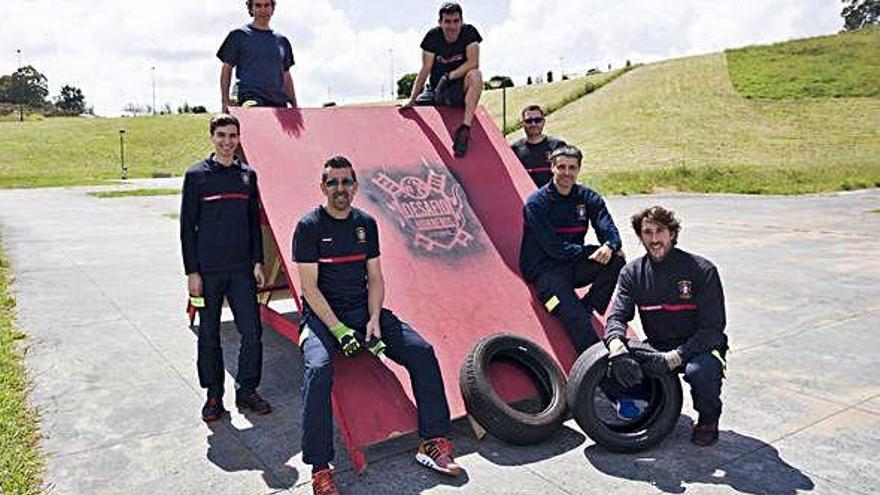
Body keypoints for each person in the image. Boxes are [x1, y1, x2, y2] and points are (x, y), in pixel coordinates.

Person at [293, 156, 461, 495]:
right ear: (322, 187)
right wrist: (339, 330)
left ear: (355, 186)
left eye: (346, 182)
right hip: (323, 319)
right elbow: (309, 289)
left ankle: (432, 442)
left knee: (422, 351)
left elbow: (375, 277)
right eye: (332, 182)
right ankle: (320, 468)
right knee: (318, 368)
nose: (340, 189)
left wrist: (373, 319)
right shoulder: (309, 226)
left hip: (363, 310)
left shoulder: (365, 224)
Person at [604, 206, 728, 446]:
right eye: (647, 232)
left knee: (699, 371)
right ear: (640, 237)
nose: (653, 239)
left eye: (659, 231)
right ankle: (650, 403)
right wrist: (616, 345)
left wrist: (676, 357)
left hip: (700, 346)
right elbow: (617, 316)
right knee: (611, 364)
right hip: (658, 345)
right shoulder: (632, 273)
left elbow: (713, 329)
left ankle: (708, 419)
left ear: (672, 233)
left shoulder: (702, 270)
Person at [180, 113, 271, 422]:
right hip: (207, 273)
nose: (227, 142)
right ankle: (214, 394)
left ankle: (247, 390)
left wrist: (258, 261)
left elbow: (252, 223)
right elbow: (186, 228)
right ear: (212, 137)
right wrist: (192, 272)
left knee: (252, 332)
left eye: (233, 136)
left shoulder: (248, 176)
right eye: (222, 135)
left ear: (239, 138)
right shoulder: (196, 177)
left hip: (241, 271)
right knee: (209, 335)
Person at [519, 145, 625, 353]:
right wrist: (590, 252)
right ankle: (596, 366)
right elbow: (554, 249)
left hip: (572, 265)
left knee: (617, 259)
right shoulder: (536, 203)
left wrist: (609, 246)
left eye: (572, 168)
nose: (567, 173)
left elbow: (610, 231)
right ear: (552, 168)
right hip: (545, 273)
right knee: (574, 318)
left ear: (578, 169)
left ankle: (589, 306)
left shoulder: (588, 198)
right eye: (562, 167)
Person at [404, 2, 483, 157]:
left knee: (476, 75)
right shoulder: (432, 37)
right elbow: (425, 69)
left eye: (456, 21)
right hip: (436, 89)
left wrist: (448, 76)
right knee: (414, 112)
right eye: (447, 21)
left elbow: (473, 63)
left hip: (459, 87)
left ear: (461, 21)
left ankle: (464, 129)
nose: (452, 26)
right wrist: (412, 99)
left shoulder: (469, 33)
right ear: (440, 22)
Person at [217, 0, 298, 112]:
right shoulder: (238, 35)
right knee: (252, 109)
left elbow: (286, 74)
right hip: (250, 98)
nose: (263, 10)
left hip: (278, 102)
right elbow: (227, 68)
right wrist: (225, 100)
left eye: (266, 5)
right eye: (258, 5)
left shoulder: (282, 41)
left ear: (272, 8)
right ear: (251, 8)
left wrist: (294, 104)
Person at [511, 105, 568, 187]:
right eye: (529, 121)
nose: (533, 124)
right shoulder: (514, 149)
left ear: (543, 121)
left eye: (537, 120)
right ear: (522, 124)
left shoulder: (558, 146)